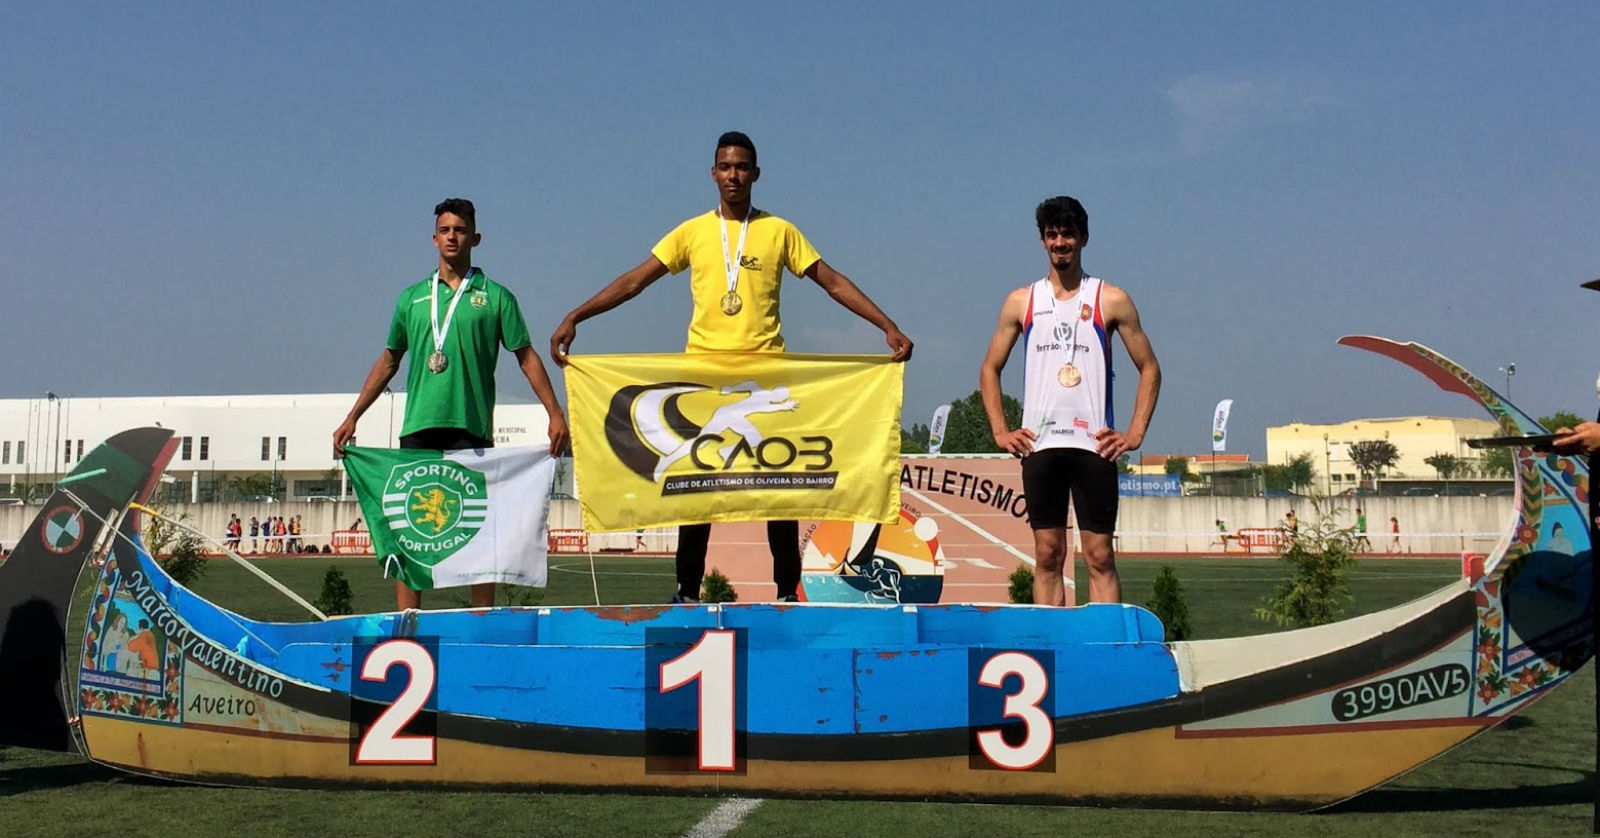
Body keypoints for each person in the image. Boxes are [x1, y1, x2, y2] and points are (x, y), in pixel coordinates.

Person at [550, 131, 914, 603]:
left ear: (756, 174)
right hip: (704, 377)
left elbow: (832, 281)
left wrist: (885, 324)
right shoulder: (692, 232)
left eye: (742, 167)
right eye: (725, 166)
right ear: (713, 174)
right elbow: (637, 280)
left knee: (780, 488)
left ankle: (786, 590)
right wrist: (577, 315)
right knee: (695, 491)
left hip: (766, 373)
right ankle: (686, 590)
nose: (734, 175)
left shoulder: (779, 231)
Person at [334, 198, 570, 610]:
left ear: (475, 238)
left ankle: (481, 621)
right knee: (412, 529)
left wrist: (554, 412)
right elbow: (390, 358)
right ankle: (409, 621)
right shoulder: (411, 299)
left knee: (479, 529)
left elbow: (526, 356)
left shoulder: (496, 297)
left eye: (460, 230)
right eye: (445, 230)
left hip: (471, 426)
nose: (452, 237)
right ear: (433, 238)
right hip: (419, 425)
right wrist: (353, 416)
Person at [978, 196, 1161, 605]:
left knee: (1099, 556)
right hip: (1040, 446)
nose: (1060, 242)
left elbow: (1149, 366)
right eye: (1052, 235)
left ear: (1083, 239)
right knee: (1047, 555)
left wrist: (1134, 432)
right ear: (1043, 241)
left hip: (1093, 445)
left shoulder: (1110, 298)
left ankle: (1104, 649)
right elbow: (990, 368)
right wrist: (1000, 430)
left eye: (1068, 234)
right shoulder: (1022, 301)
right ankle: (1053, 649)